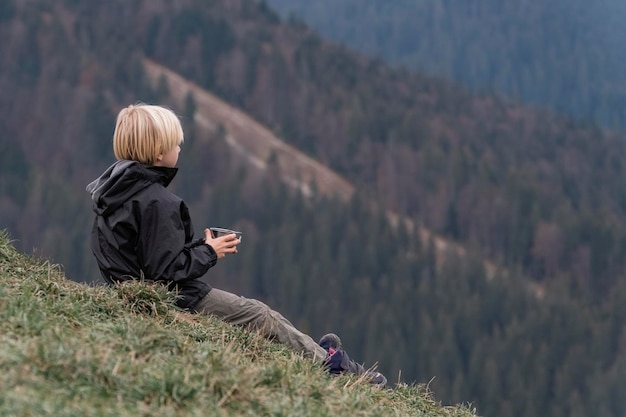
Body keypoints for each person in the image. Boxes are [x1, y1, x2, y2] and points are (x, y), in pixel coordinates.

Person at [86, 103, 387, 387]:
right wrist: (209, 251)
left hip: (131, 291)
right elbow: (166, 272)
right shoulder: (157, 201)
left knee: (263, 315)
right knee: (260, 316)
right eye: (175, 143)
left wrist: (198, 247)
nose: (179, 148)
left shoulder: (114, 192)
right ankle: (339, 371)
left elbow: (149, 257)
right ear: (158, 152)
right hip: (171, 298)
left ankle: (316, 352)